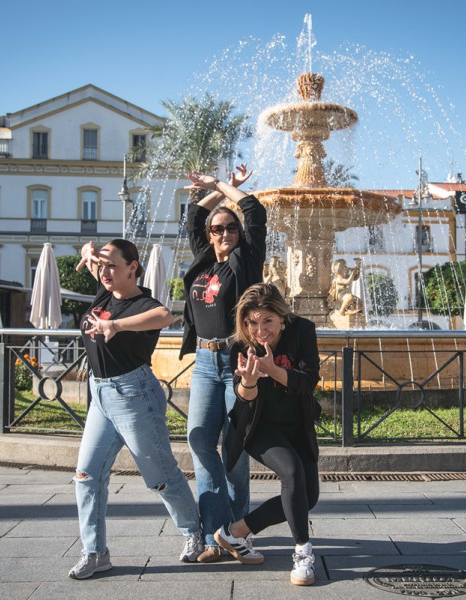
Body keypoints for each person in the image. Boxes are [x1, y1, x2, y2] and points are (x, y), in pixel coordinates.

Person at [69, 238, 203, 579]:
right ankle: (95, 552)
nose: (105, 272)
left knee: (159, 476)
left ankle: (194, 533)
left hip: (134, 395)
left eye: (113, 266)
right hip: (100, 395)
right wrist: (89, 251)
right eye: (102, 266)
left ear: (134, 267)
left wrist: (116, 325)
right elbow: (91, 250)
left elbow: (164, 315)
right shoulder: (104, 293)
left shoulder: (143, 302)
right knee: (86, 474)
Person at [179, 164, 267, 562]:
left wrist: (222, 186)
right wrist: (210, 194)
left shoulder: (245, 261)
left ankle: (236, 533)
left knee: (234, 449)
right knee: (200, 440)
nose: (225, 233)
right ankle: (216, 533)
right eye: (218, 229)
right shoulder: (202, 261)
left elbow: (254, 210)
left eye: (230, 228)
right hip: (203, 362)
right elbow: (193, 216)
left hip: (236, 361)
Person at [217, 283, 321, 586]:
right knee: (291, 471)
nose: (259, 330)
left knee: (308, 497)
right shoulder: (240, 345)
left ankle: (234, 532)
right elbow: (243, 401)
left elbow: (308, 381)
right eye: (251, 322)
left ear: (282, 318)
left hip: (297, 425)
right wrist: (249, 380)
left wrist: (273, 369)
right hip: (260, 428)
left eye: (267, 322)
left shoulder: (302, 331)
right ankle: (303, 554)